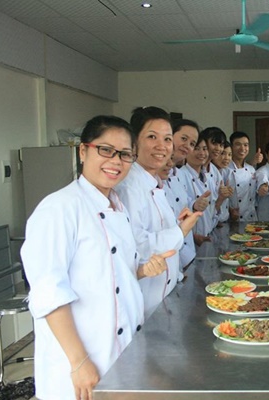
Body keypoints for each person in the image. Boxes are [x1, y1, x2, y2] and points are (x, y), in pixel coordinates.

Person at [21, 116, 175, 399]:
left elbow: (113, 272)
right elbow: (48, 292)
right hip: (82, 359)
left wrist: (142, 270)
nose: (115, 161)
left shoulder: (117, 207)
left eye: (125, 154)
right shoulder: (59, 208)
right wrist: (79, 361)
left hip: (121, 351)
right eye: (105, 150)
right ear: (83, 151)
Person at [116, 107, 201, 318]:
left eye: (167, 139)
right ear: (134, 142)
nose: (161, 146)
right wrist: (180, 231)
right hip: (145, 307)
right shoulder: (129, 187)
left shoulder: (153, 182)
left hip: (165, 297)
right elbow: (138, 246)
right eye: (152, 137)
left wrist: (176, 225)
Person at [163, 118, 199, 268]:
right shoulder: (155, 175)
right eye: (184, 139)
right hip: (166, 260)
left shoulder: (178, 174)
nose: (187, 146)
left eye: (192, 144)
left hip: (185, 255)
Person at [176, 134, 216, 241]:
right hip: (189, 238)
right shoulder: (180, 175)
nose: (202, 153)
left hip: (207, 234)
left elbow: (212, 209)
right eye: (196, 149)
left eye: (204, 149)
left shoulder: (208, 177)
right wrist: (194, 205)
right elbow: (177, 208)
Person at [201, 127, 232, 225]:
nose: (218, 148)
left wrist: (222, 197)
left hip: (211, 225)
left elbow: (215, 204)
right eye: (214, 143)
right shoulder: (195, 169)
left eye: (221, 145)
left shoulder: (215, 172)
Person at [227, 131, 261, 221]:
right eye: (238, 144)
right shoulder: (226, 170)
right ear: (231, 147)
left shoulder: (251, 169)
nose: (242, 148)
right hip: (233, 219)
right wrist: (229, 210)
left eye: (246, 145)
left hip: (252, 219)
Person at [212, 140, 233, 223]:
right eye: (223, 153)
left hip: (224, 220)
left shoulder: (226, 172)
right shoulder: (209, 174)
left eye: (230, 154)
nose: (227, 158)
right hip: (212, 222)